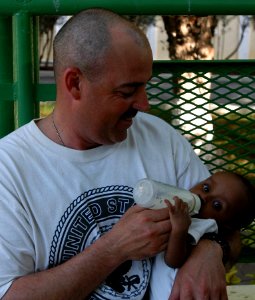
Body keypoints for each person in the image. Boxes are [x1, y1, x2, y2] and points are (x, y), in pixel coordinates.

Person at [0, 8, 239, 300]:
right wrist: (114, 249)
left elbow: (227, 224)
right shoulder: (9, 171)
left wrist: (210, 248)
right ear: (75, 83)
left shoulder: (160, 138)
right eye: (127, 91)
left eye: (145, 86)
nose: (144, 104)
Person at [150, 171, 255, 300]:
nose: (204, 197)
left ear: (226, 225)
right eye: (206, 188)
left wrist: (179, 230)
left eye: (217, 205)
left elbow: (173, 260)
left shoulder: (202, 226)